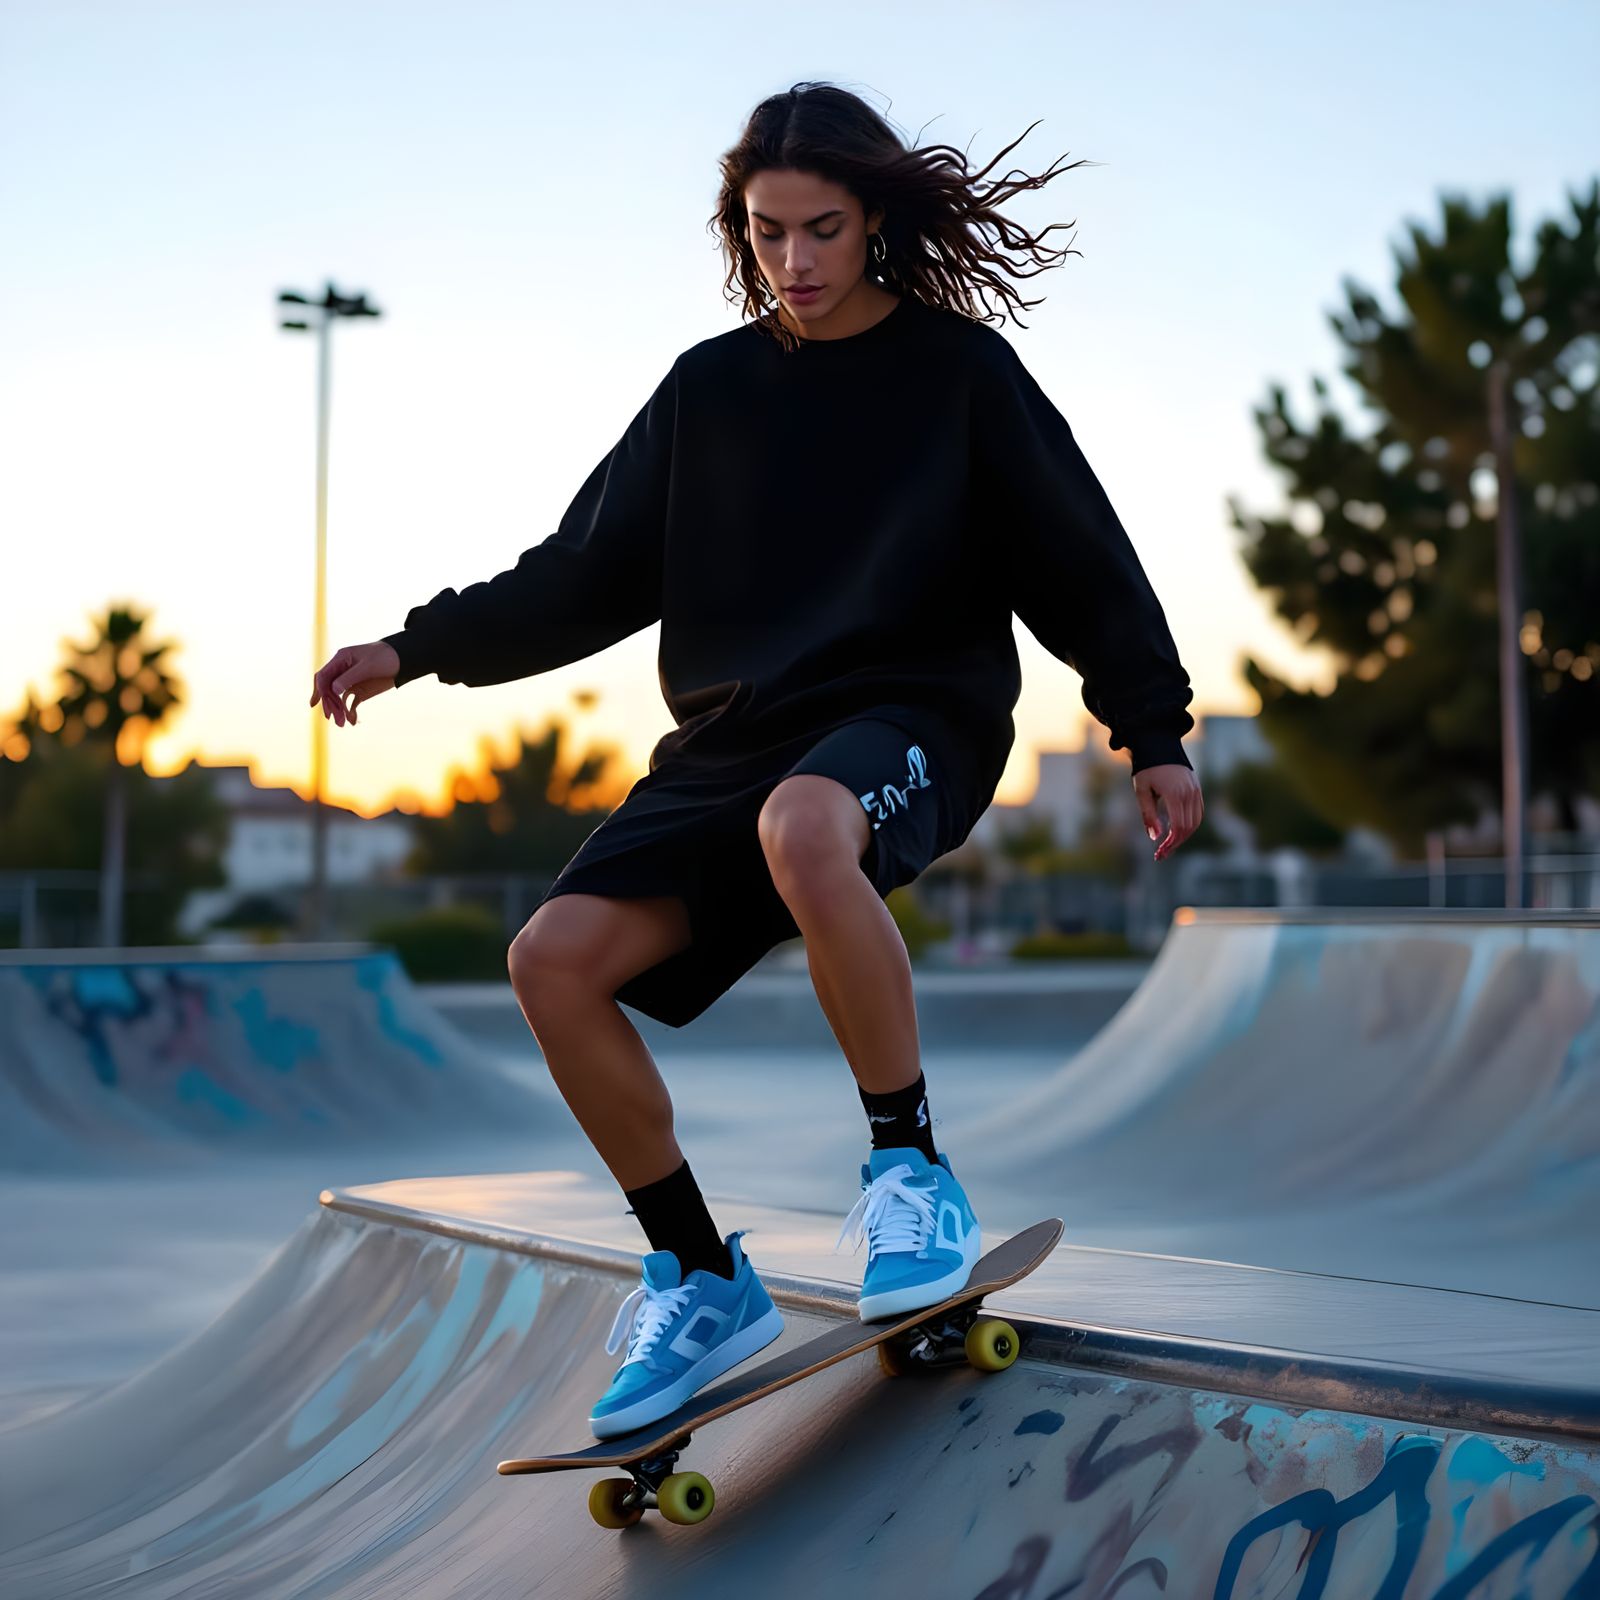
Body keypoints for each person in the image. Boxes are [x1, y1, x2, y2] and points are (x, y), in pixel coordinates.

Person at [309, 82, 1203, 1441]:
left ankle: (910, 1172)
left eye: (823, 230)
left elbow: (1077, 551)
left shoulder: (960, 376)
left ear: (874, 223)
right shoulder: (707, 391)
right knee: (551, 960)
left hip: (916, 716)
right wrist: (411, 648)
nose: (794, 260)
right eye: (767, 230)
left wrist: (1152, 728)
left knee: (804, 826)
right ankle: (699, 1273)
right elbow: (581, 576)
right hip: (730, 744)